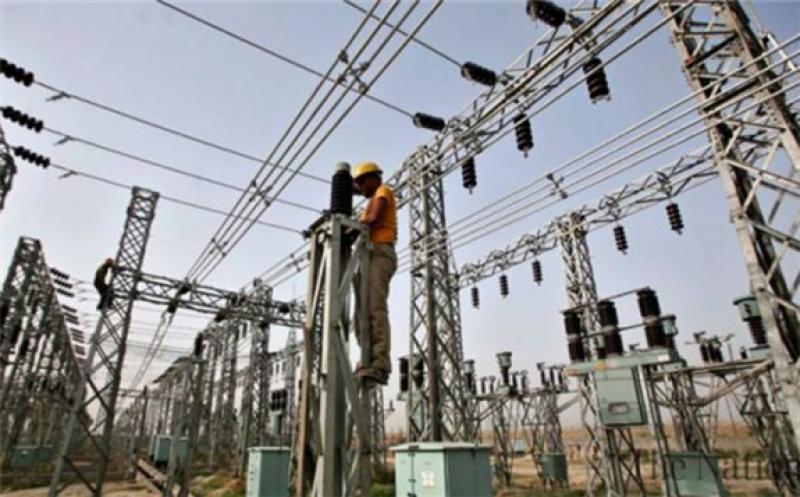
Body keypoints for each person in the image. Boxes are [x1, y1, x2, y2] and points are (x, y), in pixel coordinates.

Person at [352, 161, 397, 385]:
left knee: (375, 307)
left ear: (373, 178)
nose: (360, 188)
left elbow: (373, 219)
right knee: (360, 312)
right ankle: (366, 358)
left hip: (380, 253)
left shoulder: (383, 191)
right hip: (368, 255)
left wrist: (352, 226)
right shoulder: (368, 203)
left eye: (362, 183)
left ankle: (380, 364)